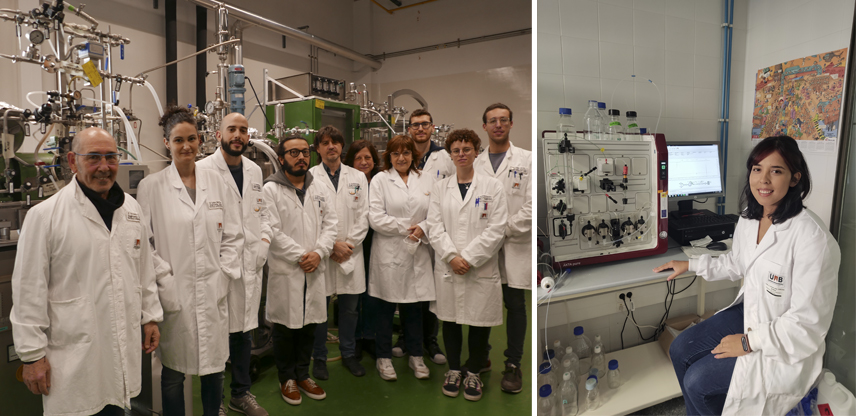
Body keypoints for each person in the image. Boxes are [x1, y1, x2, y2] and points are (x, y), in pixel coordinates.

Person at [654, 136, 840, 415]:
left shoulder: (813, 240)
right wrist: (690, 265)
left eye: (775, 171)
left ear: (794, 178)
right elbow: (736, 263)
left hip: (785, 341)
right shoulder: (750, 217)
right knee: (680, 349)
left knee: (698, 380)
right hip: (751, 312)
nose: (763, 180)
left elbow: (806, 326)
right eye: (757, 169)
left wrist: (747, 341)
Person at [11, 127, 162, 416]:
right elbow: (29, 290)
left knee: (118, 406)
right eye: (93, 158)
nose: (104, 167)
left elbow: (144, 268)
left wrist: (151, 316)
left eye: (111, 157)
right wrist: (31, 356)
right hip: (72, 354)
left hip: (119, 345)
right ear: (72, 161)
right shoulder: (45, 216)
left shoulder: (130, 209)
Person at [137, 106, 243, 416]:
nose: (186, 146)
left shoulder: (218, 182)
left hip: (213, 289)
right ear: (167, 142)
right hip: (175, 292)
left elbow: (234, 236)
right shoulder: (151, 187)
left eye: (192, 139)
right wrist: (166, 279)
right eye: (178, 139)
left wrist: (222, 274)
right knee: (172, 373)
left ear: (200, 141)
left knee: (213, 369)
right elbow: (146, 245)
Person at [197, 112, 271, 416]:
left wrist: (264, 242)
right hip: (216, 268)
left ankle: (240, 395)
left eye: (243, 130)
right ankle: (213, 406)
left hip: (249, 265)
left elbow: (262, 213)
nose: (238, 135)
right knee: (213, 341)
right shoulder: (202, 169)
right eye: (232, 130)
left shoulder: (254, 170)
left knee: (243, 335)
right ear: (219, 134)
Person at [427, 129, 508, 402]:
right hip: (449, 266)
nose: (461, 154)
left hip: (479, 267)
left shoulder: (493, 187)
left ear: (476, 151)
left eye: (467, 149)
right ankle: (453, 370)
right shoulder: (440, 188)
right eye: (456, 150)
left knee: (478, 320)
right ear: (450, 155)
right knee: (449, 320)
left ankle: (473, 370)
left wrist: (469, 258)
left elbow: (497, 229)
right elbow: (434, 226)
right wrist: (451, 256)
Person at [263, 133, 337, 406]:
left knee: (309, 326)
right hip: (288, 270)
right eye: (293, 153)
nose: (301, 157)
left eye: (305, 152)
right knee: (285, 328)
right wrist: (301, 256)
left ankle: (303, 374)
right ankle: (287, 378)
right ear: (281, 159)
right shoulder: (270, 189)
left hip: (314, 268)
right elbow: (271, 229)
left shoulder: (319, 188)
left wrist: (319, 253)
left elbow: (332, 224)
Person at [473, 103, 531, 393]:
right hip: (482, 245)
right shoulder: (474, 162)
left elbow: (532, 206)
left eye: (503, 120)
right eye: (492, 121)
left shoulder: (527, 160)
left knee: (515, 305)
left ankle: (513, 364)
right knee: (483, 300)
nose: (498, 125)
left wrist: (504, 228)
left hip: (513, 243)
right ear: (484, 126)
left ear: (511, 124)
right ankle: (481, 357)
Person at [368, 135, 435, 381]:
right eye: (396, 153)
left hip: (418, 251)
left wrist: (424, 228)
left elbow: (435, 212)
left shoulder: (426, 179)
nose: (401, 158)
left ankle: (416, 355)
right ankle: (383, 357)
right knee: (385, 308)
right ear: (389, 156)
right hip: (389, 253)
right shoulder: (380, 180)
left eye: (406, 153)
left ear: (413, 155)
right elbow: (375, 217)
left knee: (414, 308)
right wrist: (409, 227)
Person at [392, 109, 456, 364]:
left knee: (431, 292)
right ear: (409, 129)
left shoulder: (445, 158)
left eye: (425, 124)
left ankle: (430, 340)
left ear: (433, 127)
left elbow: (451, 195)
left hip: (433, 235)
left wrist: (428, 227)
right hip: (406, 236)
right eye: (415, 125)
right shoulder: (401, 155)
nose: (420, 129)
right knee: (406, 290)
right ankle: (406, 339)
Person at [308, 126, 370, 379]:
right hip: (323, 251)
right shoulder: (310, 177)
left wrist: (348, 245)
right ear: (318, 148)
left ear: (342, 146)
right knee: (319, 308)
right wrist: (331, 245)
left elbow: (365, 215)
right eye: (325, 142)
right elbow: (310, 219)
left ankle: (348, 353)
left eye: (335, 142)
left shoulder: (358, 177)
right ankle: (319, 358)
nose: (331, 146)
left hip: (351, 252)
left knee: (349, 309)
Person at [344, 140, 381, 359]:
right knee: (353, 296)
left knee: (372, 293)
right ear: (351, 161)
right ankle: (355, 339)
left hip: (376, 242)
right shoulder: (346, 181)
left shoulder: (381, 181)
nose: (363, 162)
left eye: (367, 157)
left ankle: (371, 336)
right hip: (353, 244)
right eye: (358, 158)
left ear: (374, 161)